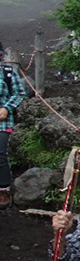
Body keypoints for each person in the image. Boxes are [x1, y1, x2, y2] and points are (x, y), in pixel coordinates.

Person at [0, 41, 27, 210]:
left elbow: (19, 93)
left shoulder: (7, 72)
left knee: (0, 154)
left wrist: (6, 108)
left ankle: (3, 189)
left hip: (2, 121)